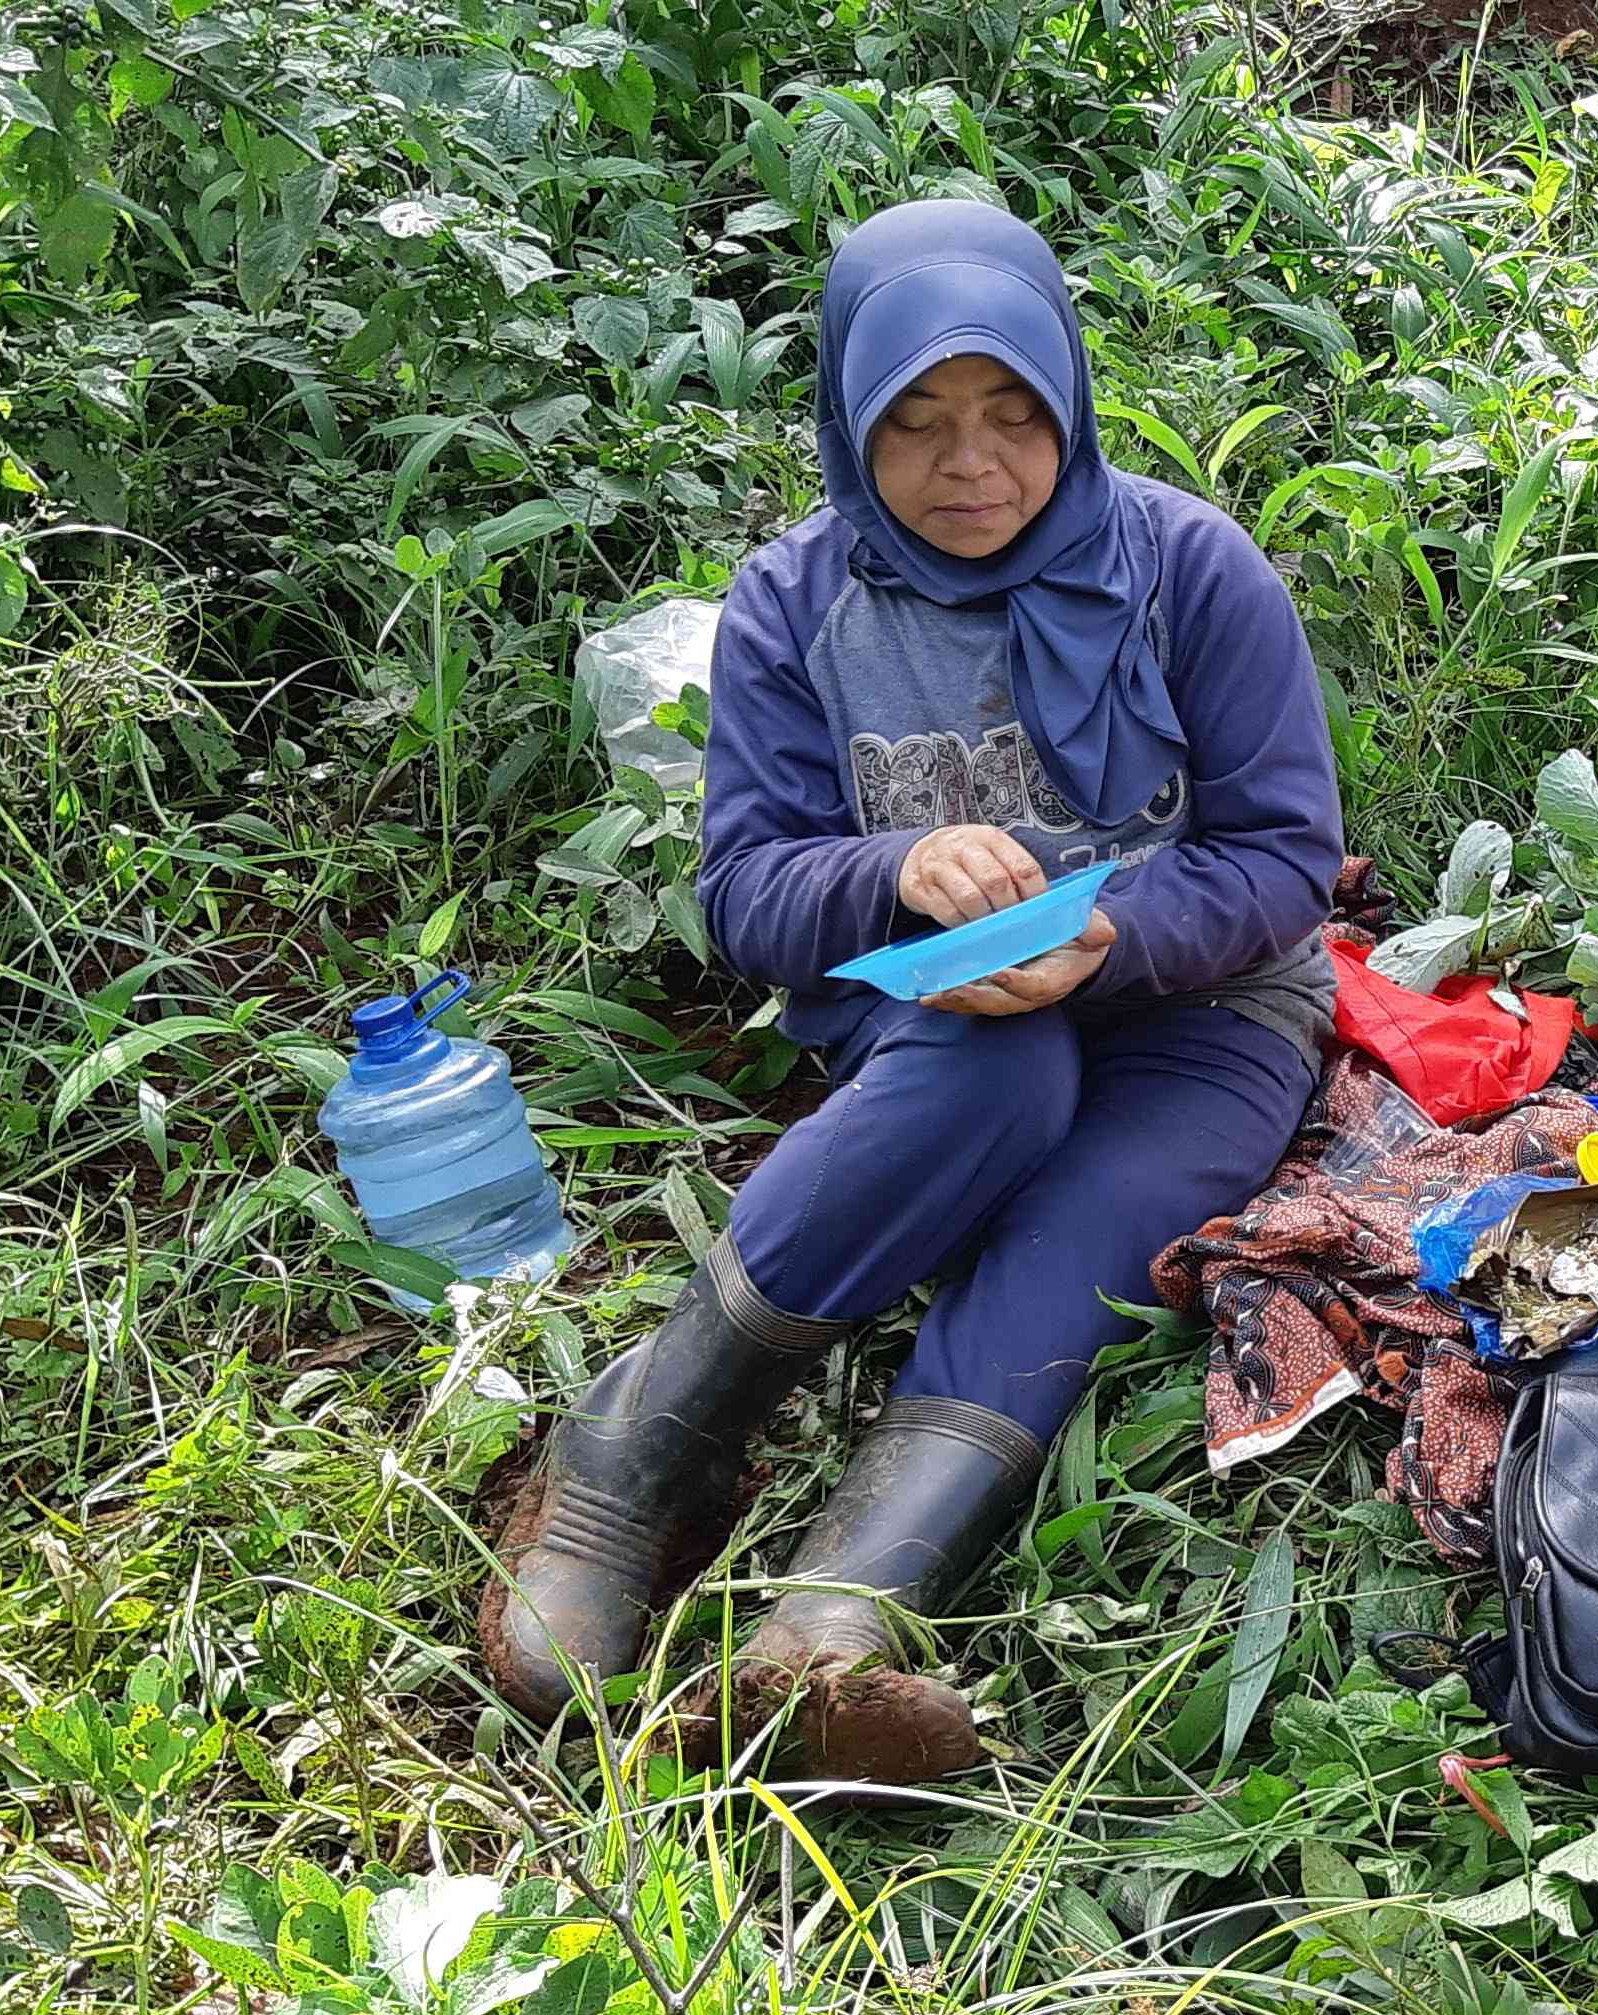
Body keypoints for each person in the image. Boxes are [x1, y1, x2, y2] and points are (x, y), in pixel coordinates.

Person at [478, 199, 1342, 1782]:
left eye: (1015, 415)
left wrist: (1116, 943)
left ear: (1071, 404)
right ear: (846, 421)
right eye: (919, 424)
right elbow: (746, 892)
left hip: (1201, 1007)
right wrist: (895, 871)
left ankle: (829, 1625)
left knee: (1097, 1217)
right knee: (990, 1078)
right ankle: (633, 1451)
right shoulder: (799, 603)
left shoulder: (1187, 571)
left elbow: (1286, 860)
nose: (974, 467)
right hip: (931, 1008)